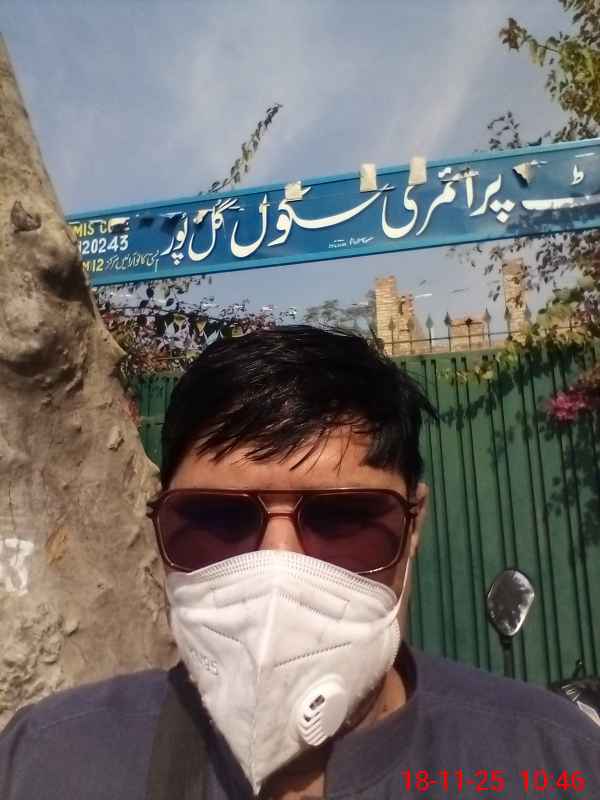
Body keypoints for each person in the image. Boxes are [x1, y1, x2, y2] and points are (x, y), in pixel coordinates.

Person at [1, 325, 599, 800]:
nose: (278, 569)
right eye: (217, 519)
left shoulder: (554, 762)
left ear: (413, 524)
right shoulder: (46, 761)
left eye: (343, 520)